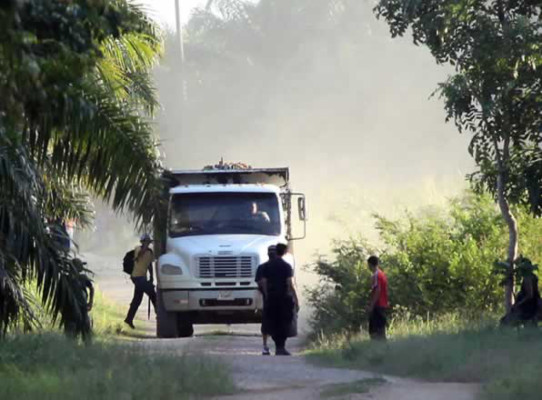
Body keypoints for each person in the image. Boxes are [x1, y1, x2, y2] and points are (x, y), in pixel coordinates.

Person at [261, 243, 299, 356]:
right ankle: (280, 347)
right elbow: (290, 283)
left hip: (271, 297)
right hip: (284, 297)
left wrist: (267, 295)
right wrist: (296, 299)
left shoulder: (266, 266)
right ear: (284, 252)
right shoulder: (286, 266)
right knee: (284, 321)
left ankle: (278, 346)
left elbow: (263, 282)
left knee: (273, 321)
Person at [124, 233, 157, 329]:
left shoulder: (150, 252)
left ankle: (128, 319)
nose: (147, 244)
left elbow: (150, 265)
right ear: (142, 242)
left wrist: (151, 277)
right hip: (136, 277)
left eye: (148, 242)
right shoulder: (138, 249)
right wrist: (145, 247)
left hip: (143, 277)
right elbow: (139, 255)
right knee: (152, 293)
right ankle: (159, 313)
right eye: (145, 242)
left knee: (137, 299)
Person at [255, 245, 277, 355]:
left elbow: (259, 285)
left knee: (266, 325)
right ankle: (279, 346)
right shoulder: (282, 266)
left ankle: (265, 346)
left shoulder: (261, 267)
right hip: (278, 300)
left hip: (267, 300)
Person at [367, 255, 389, 340]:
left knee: (374, 330)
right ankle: (382, 349)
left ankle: (379, 348)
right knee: (379, 329)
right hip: (383, 304)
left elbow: (377, 291)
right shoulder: (382, 274)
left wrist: (371, 306)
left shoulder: (376, 275)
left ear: (370, 265)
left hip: (378, 305)